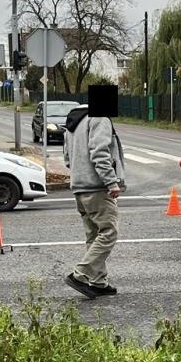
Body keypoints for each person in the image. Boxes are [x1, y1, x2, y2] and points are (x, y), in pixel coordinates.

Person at [64, 83, 126, 297]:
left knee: (93, 235)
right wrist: (111, 182)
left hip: (79, 187)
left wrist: (79, 173)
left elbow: (67, 157)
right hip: (97, 187)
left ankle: (98, 281)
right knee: (109, 232)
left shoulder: (74, 120)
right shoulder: (99, 118)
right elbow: (100, 153)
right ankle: (81, 274)